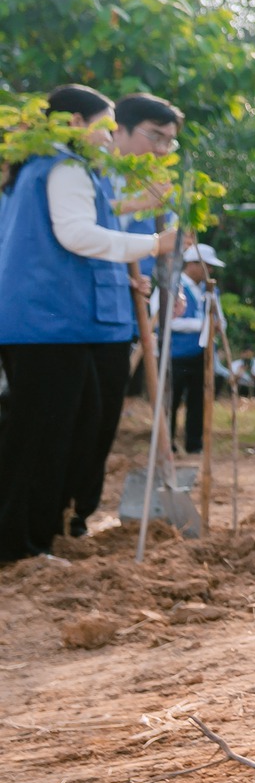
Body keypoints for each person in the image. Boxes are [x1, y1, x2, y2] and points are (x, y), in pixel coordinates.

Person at [0, 87, 180, 560]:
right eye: (105, 125)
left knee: (52, 432)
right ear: (75, 124)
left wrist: (139, 206)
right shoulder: (65, 167)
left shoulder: (40, 169)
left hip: (43, 322)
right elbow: (77, 233)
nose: (109, 136)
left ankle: (36, 537)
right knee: (40, 438)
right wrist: (154, 246)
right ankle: (21, 545)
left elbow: (88, 216)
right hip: (49, 322)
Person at [168, 243, 224, 455]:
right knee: (171, 401)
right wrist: (202, 325)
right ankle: (169, 444)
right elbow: (166, 322)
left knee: (198, 400)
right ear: (192, 265)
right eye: (206, 266)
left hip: (202, 355)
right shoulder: (172, 286)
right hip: (176, 355)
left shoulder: (210, 289)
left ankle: (194, 443)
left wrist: (215, 327)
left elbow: (221, 321)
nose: (210, 271)